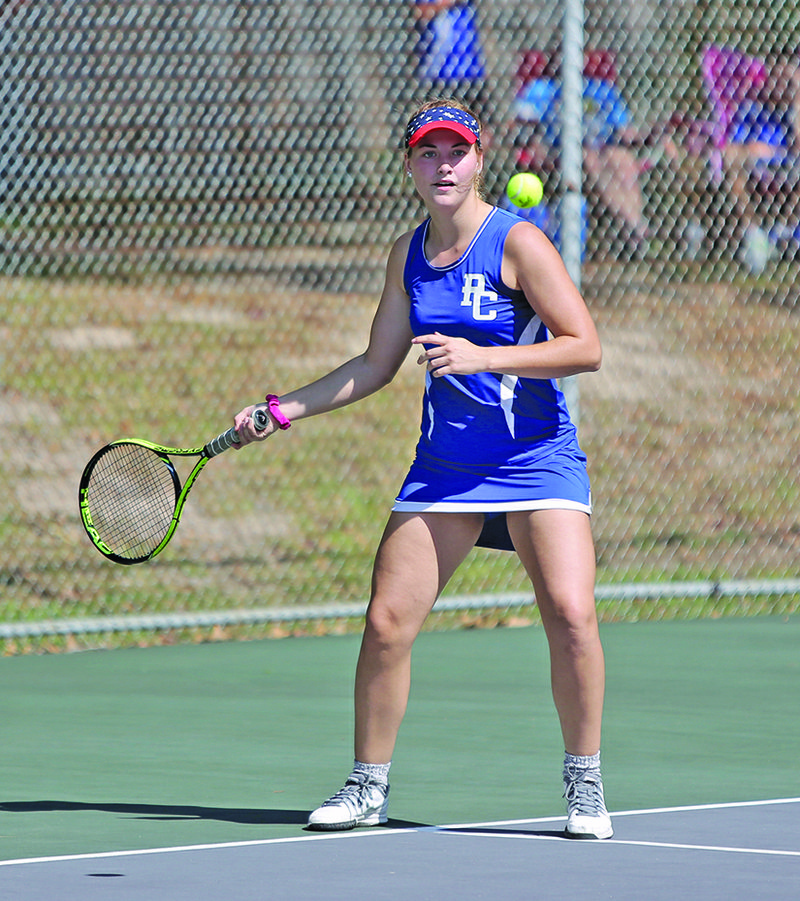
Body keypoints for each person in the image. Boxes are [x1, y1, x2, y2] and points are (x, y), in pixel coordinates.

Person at [233, 99, 613, 840]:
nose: (443, 165)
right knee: (386, 623)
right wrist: (284, 410)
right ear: (410, 164)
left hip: (536, 460)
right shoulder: (406, 255)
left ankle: (586, 782)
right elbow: (376, 363)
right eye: (428, 152)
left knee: (571, 614)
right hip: (444, 468)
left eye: (456, 152)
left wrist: (486, 356)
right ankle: (365, 785)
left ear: (480, 160)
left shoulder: (519, 242)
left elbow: (584, 345)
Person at [512, 49, 678, 258]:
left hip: (601, 150)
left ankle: (636, 229)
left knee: (622, 159)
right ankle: (636, 229)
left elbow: (624, 132)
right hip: (554, 151)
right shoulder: (542, 89)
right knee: (588, 157)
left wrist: (653, 134)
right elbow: (524, 127)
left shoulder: (601, 89)